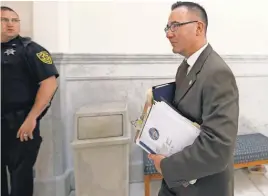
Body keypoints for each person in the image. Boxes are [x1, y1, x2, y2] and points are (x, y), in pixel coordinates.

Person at [148, 1, 239, 196]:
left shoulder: (217, 73)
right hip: (178, 182)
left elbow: (217, 148)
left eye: (175, 26)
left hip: (203, 187)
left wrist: (167, 166)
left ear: (199, 27)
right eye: (167, 27)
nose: (168, 33)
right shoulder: (184, 68)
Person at [1, 6, 59, 196]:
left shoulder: (31, 50)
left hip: (20, 125)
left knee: (21, 180)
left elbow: (49, 84)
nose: (10, 24)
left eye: (14, 20)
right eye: (4, 20)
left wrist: (32, 118)